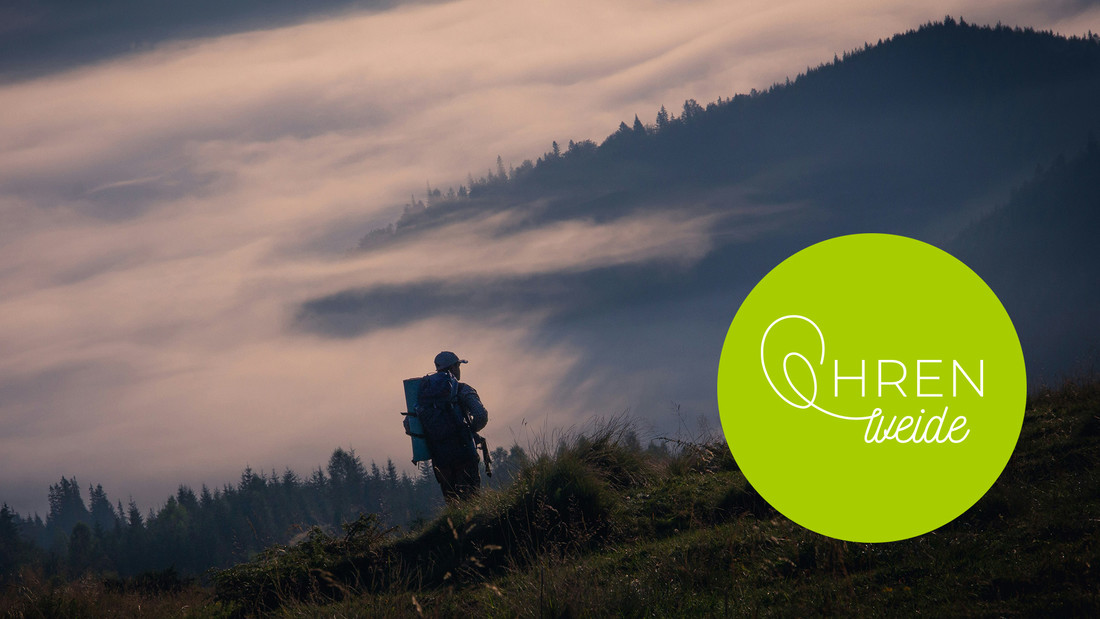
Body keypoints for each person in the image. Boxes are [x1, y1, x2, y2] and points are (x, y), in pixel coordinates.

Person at [418, 351, 489, 504]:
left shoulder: (424, 393)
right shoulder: (462, 389)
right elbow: (480, 414)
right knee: (472, 503)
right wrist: (470, 431)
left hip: (440, 461)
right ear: (453, 367)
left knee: (454, 506)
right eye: (458, 365)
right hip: (464, 453)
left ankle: (456, 528)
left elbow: (409, 424)